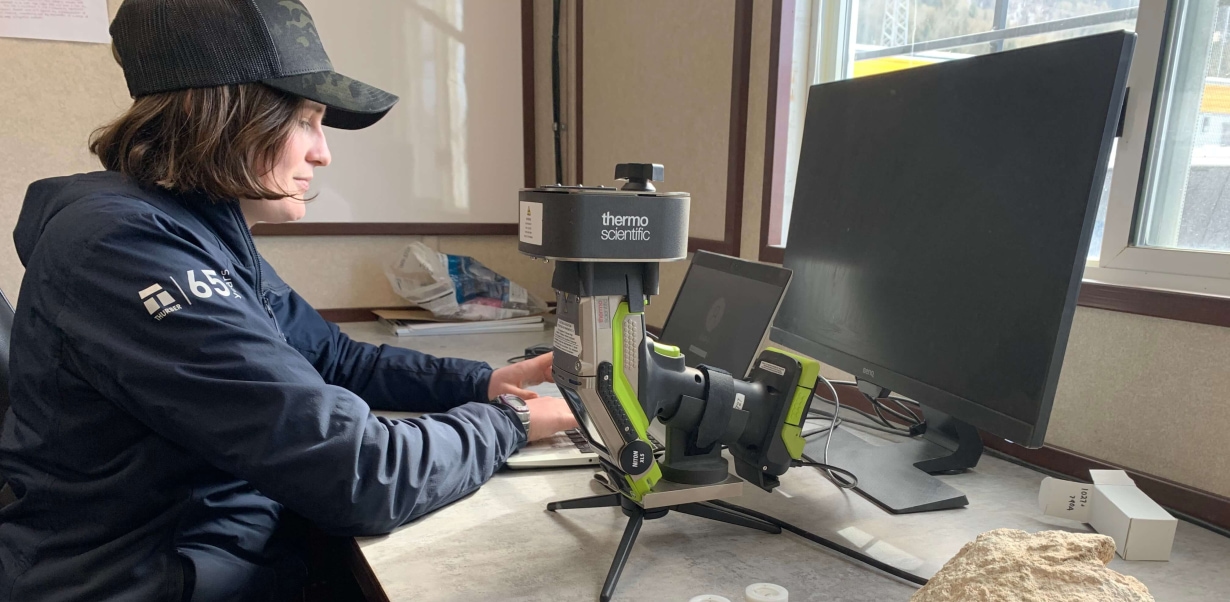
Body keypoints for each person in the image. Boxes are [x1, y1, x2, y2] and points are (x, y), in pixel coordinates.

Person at [0, 1, 577, 600]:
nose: (323, 152)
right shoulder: (125, 249)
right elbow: (361, 475)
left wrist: (483, 383)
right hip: (151, 577)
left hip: (226, 547)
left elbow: (333, 358)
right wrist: (509, 423)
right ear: (225, 114)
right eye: (306, 121)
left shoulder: (200, 228)